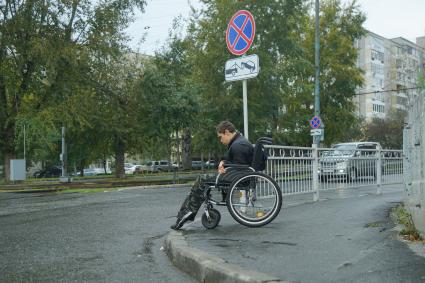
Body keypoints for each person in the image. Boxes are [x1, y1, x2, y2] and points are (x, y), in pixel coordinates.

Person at [171, 121, 254, 230]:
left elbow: (239, 167)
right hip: (240, 176)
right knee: (205, 179)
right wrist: (224, 162)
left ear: (227, 132)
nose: (220, 140)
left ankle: (186, 214)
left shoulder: (238, 145)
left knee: (202, 180)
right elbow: (238, 163)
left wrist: (224, 166)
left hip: (238, 177)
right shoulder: (240, 142)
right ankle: (187, 213)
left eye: (220, 137)